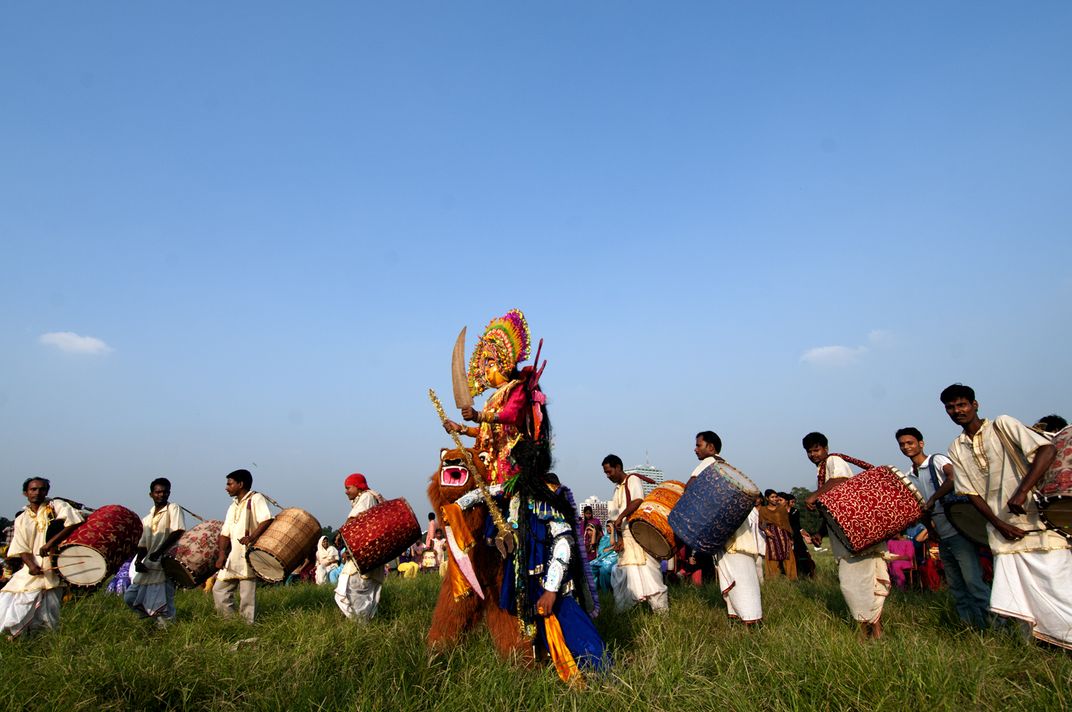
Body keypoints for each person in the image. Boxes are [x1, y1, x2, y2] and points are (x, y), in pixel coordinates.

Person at [941, 383, 1072, 648]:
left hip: (1037, 524)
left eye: (962, 404)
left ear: (975, 405)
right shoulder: (956, 446)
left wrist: (1022, 492)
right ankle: (1042, 646)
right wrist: (998, 524)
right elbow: (970, 493)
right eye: (951, 407)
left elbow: (1047, 450)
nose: (958, 411)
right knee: (1023, 598)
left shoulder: (1002, 425)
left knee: (1058, 586)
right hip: (1003, 533)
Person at [442, 309, 548, 488]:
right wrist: (460, 428)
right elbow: (485, 432)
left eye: (491, 364)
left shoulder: (516, 387)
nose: (487, 372)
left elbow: (511, 416)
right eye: (485, 366)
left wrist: (479, 416)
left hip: (511, 462)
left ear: (505, 362)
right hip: (490, 461)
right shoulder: (491, 398)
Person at [896, 426, 990, 627]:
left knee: (973, 581)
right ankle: (969, 625)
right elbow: (921, 508)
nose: (906, 447)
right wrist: (930, 530)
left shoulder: (936, 461)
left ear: (921, 444)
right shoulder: (909, 476)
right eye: (902, 444)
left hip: (957, 529)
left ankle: (993, 625)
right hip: (941, 534)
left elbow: (954, 476)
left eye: (910, 443)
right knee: (956, 584)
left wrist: (933, 499)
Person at [803, 432, 891, 640]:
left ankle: (868, 630)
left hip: (855, 538)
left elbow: (840, 480)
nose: (813, 454)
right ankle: (873, 629)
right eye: (809, 451)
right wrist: (820, 532)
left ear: (825, 448)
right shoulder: (822, 470)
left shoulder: (834, 460)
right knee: (864, 583)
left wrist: (815, 496)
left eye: (816, 450)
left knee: (854, 584)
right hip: (847, 536)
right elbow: (835, 508)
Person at [690, 431, 763, 625]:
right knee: (736, 574)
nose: (695, 449)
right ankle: (741, 617)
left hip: (730, 534)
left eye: (699, 445)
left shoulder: (709, 463)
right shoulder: (724, 465)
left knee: (741, 576)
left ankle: (751, 619)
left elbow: (691, 487)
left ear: (711, 447)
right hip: (731, 531)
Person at [0, 478, 85, 638]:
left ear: (46, 491)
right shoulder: (21, 518)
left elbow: (74, 522)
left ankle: (44, 643)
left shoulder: (56, 506)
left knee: (48, 616)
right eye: (33, 489)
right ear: (25, 493)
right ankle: (18, 639)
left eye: (41, 489)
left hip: (54, 566)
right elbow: (21, 547)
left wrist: (50, 543)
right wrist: (31, 565)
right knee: (12, 601)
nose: (37, 492)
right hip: (31, 569)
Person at [604, 454, 668, 614]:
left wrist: (621, 516)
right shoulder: (617, 489)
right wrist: (619, 540)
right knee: (623, 577)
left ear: (618, 467)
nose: (608, 475)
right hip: (626, 541)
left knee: (650, 577)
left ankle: (661, 614)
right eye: (606, 473)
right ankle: (623, 613)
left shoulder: (632, 480)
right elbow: (615, 521)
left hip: (639, 537)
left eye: (609, 471)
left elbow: (637, 500)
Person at [213, 469, 273, 624]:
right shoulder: (232, 506)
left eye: (230, 483)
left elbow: (266, 520)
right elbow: (225, 533)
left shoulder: (256, 498)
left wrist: (252, 537)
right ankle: (231, 622)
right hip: (233, 557)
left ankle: (246, 627)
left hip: (248, 554)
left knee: (247, 597)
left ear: (241, 484)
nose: (227, 487)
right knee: (219, 590)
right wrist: (221, 555)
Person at [125, 478, 186, 626]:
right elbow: (143, 545)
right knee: (130, 597)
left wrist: (159, 552)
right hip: (149, 564)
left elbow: (177, 531)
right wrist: (139, 561)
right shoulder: (147, 518)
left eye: (165, 492)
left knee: (165, 601)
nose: (162, 495)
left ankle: (168, 630)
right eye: (158, 492)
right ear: (151, 494)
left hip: (165, 562)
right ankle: (153, 621)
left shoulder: (173, 509)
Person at [334, 473, 386, 622]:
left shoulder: (366, 497)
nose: (346, 491)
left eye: (348, 488)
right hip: (367, 554)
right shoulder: (370, 497)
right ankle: (359, 623)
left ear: (358, 487)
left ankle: (358, 625)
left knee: (352, 589)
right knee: (360, 591)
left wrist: (341, 535)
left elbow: (353, 520)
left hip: (364, 556)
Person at [758, 489, 797, 580]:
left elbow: (786, 523)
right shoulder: (763, 510)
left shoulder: (781, 509)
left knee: (788, 556)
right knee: (772, 557)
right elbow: (761, 523)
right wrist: (766, 531)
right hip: (771, 535)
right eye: (772, 497)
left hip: (783, 534)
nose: (775, 499)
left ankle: (792, 578)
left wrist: (790, 537)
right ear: (767, 498)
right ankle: (773, 580)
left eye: (776, 497)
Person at [784, 493, 815, 578]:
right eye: (792, 502)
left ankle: (806, 572)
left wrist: (802, 532)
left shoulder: (795, 511)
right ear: (787, 502)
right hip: (786, 534)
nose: (793, 504)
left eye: (794, 502)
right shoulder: (781, 511)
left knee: (802, 552)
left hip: (796, 534)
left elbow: (797, 524)